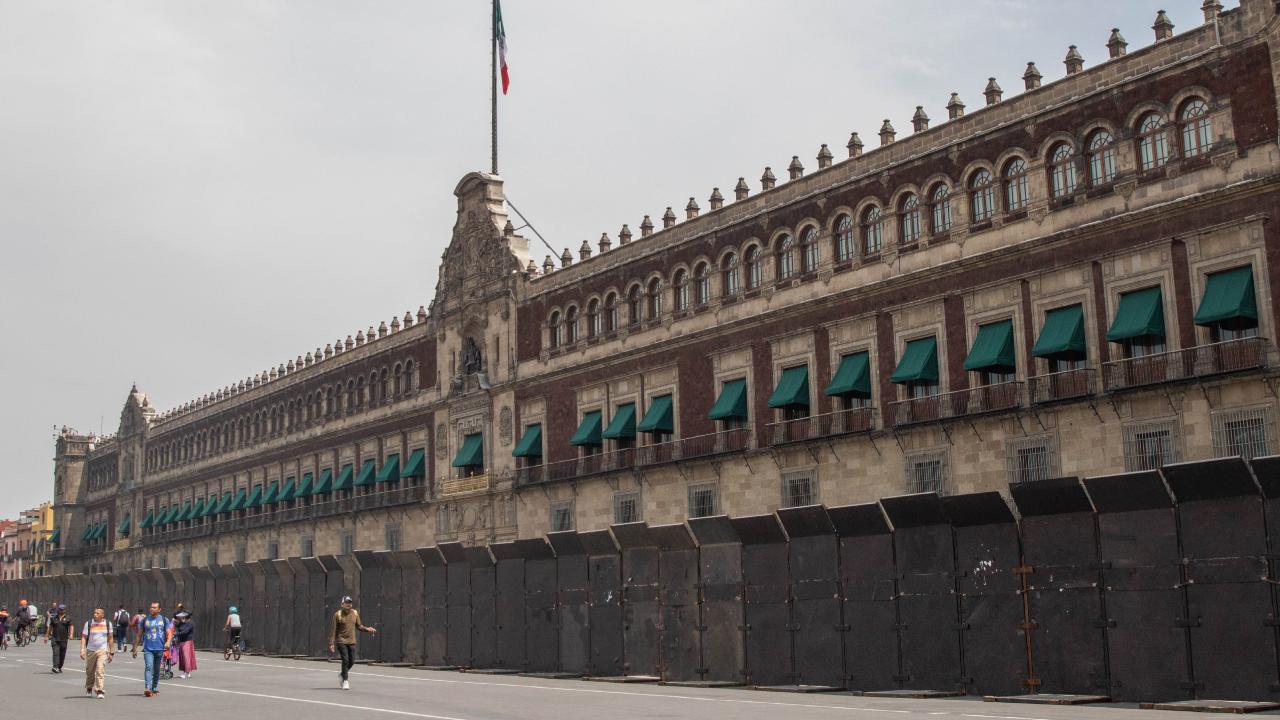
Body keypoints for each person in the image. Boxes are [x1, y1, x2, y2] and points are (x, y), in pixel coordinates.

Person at [328, 596, 376, 690]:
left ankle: (342, 674)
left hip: (352, 641)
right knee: (345, 660)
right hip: (341, 641)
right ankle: (345, 681)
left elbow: (359, 626)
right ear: (342, 604)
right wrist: (331, 643)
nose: (348, 604)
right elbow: (333, 630)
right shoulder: (337, 615)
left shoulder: (355, 613)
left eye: (350, 603)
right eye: (346, 603)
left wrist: (367, 629)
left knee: (352, 661)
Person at [132, 602, 172, 697]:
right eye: (151, 607)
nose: (152, 609)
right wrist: (135, 648)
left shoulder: (164, 620)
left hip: (160, 649)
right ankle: (147, 688)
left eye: (154, 607)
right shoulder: (145, 620)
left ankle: (154, 688)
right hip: (148, 649)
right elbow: (139, 634)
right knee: (149, 666)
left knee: (157, 669)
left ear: (159, 609)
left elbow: (169, 633)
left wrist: (168, 642)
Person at [80, 608, 114, 698]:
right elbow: (84, 637)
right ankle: (89, 688)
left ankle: (100, 691)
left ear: (102, 615)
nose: (95, 614)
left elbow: (110, 638)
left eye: (97, 613)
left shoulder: (107, 624)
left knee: (100, 670)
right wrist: (82, 650)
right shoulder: (89, 623)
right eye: (94, 613)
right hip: (91, 650)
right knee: (90, 672)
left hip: (102, 650)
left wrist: (111, 652)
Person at [45, 604, 73, 673]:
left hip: (64, 639)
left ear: (64, 610)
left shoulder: (68, 618)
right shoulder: (54, 618)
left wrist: (71, 634)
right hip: (55, 638)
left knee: (62, 654)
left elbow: (71, 626)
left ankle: (59, 667)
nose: (61, 610)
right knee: (55, 653)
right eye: (60, 609)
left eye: (62, 609)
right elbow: (50, 627)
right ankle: (55, 667)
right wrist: (46, 636)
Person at [172, 610, 196, 679]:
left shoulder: (191, 623)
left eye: (183, 617)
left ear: (186, 617)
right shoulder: (181, 623)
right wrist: (174, 621)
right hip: (181, 641)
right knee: (182, 657)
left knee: (186, 657)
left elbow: (185, 631)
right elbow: (176, 625)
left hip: (187, 641)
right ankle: (185, 672)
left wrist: (176, 634)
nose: (182, 618)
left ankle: (186, 672)